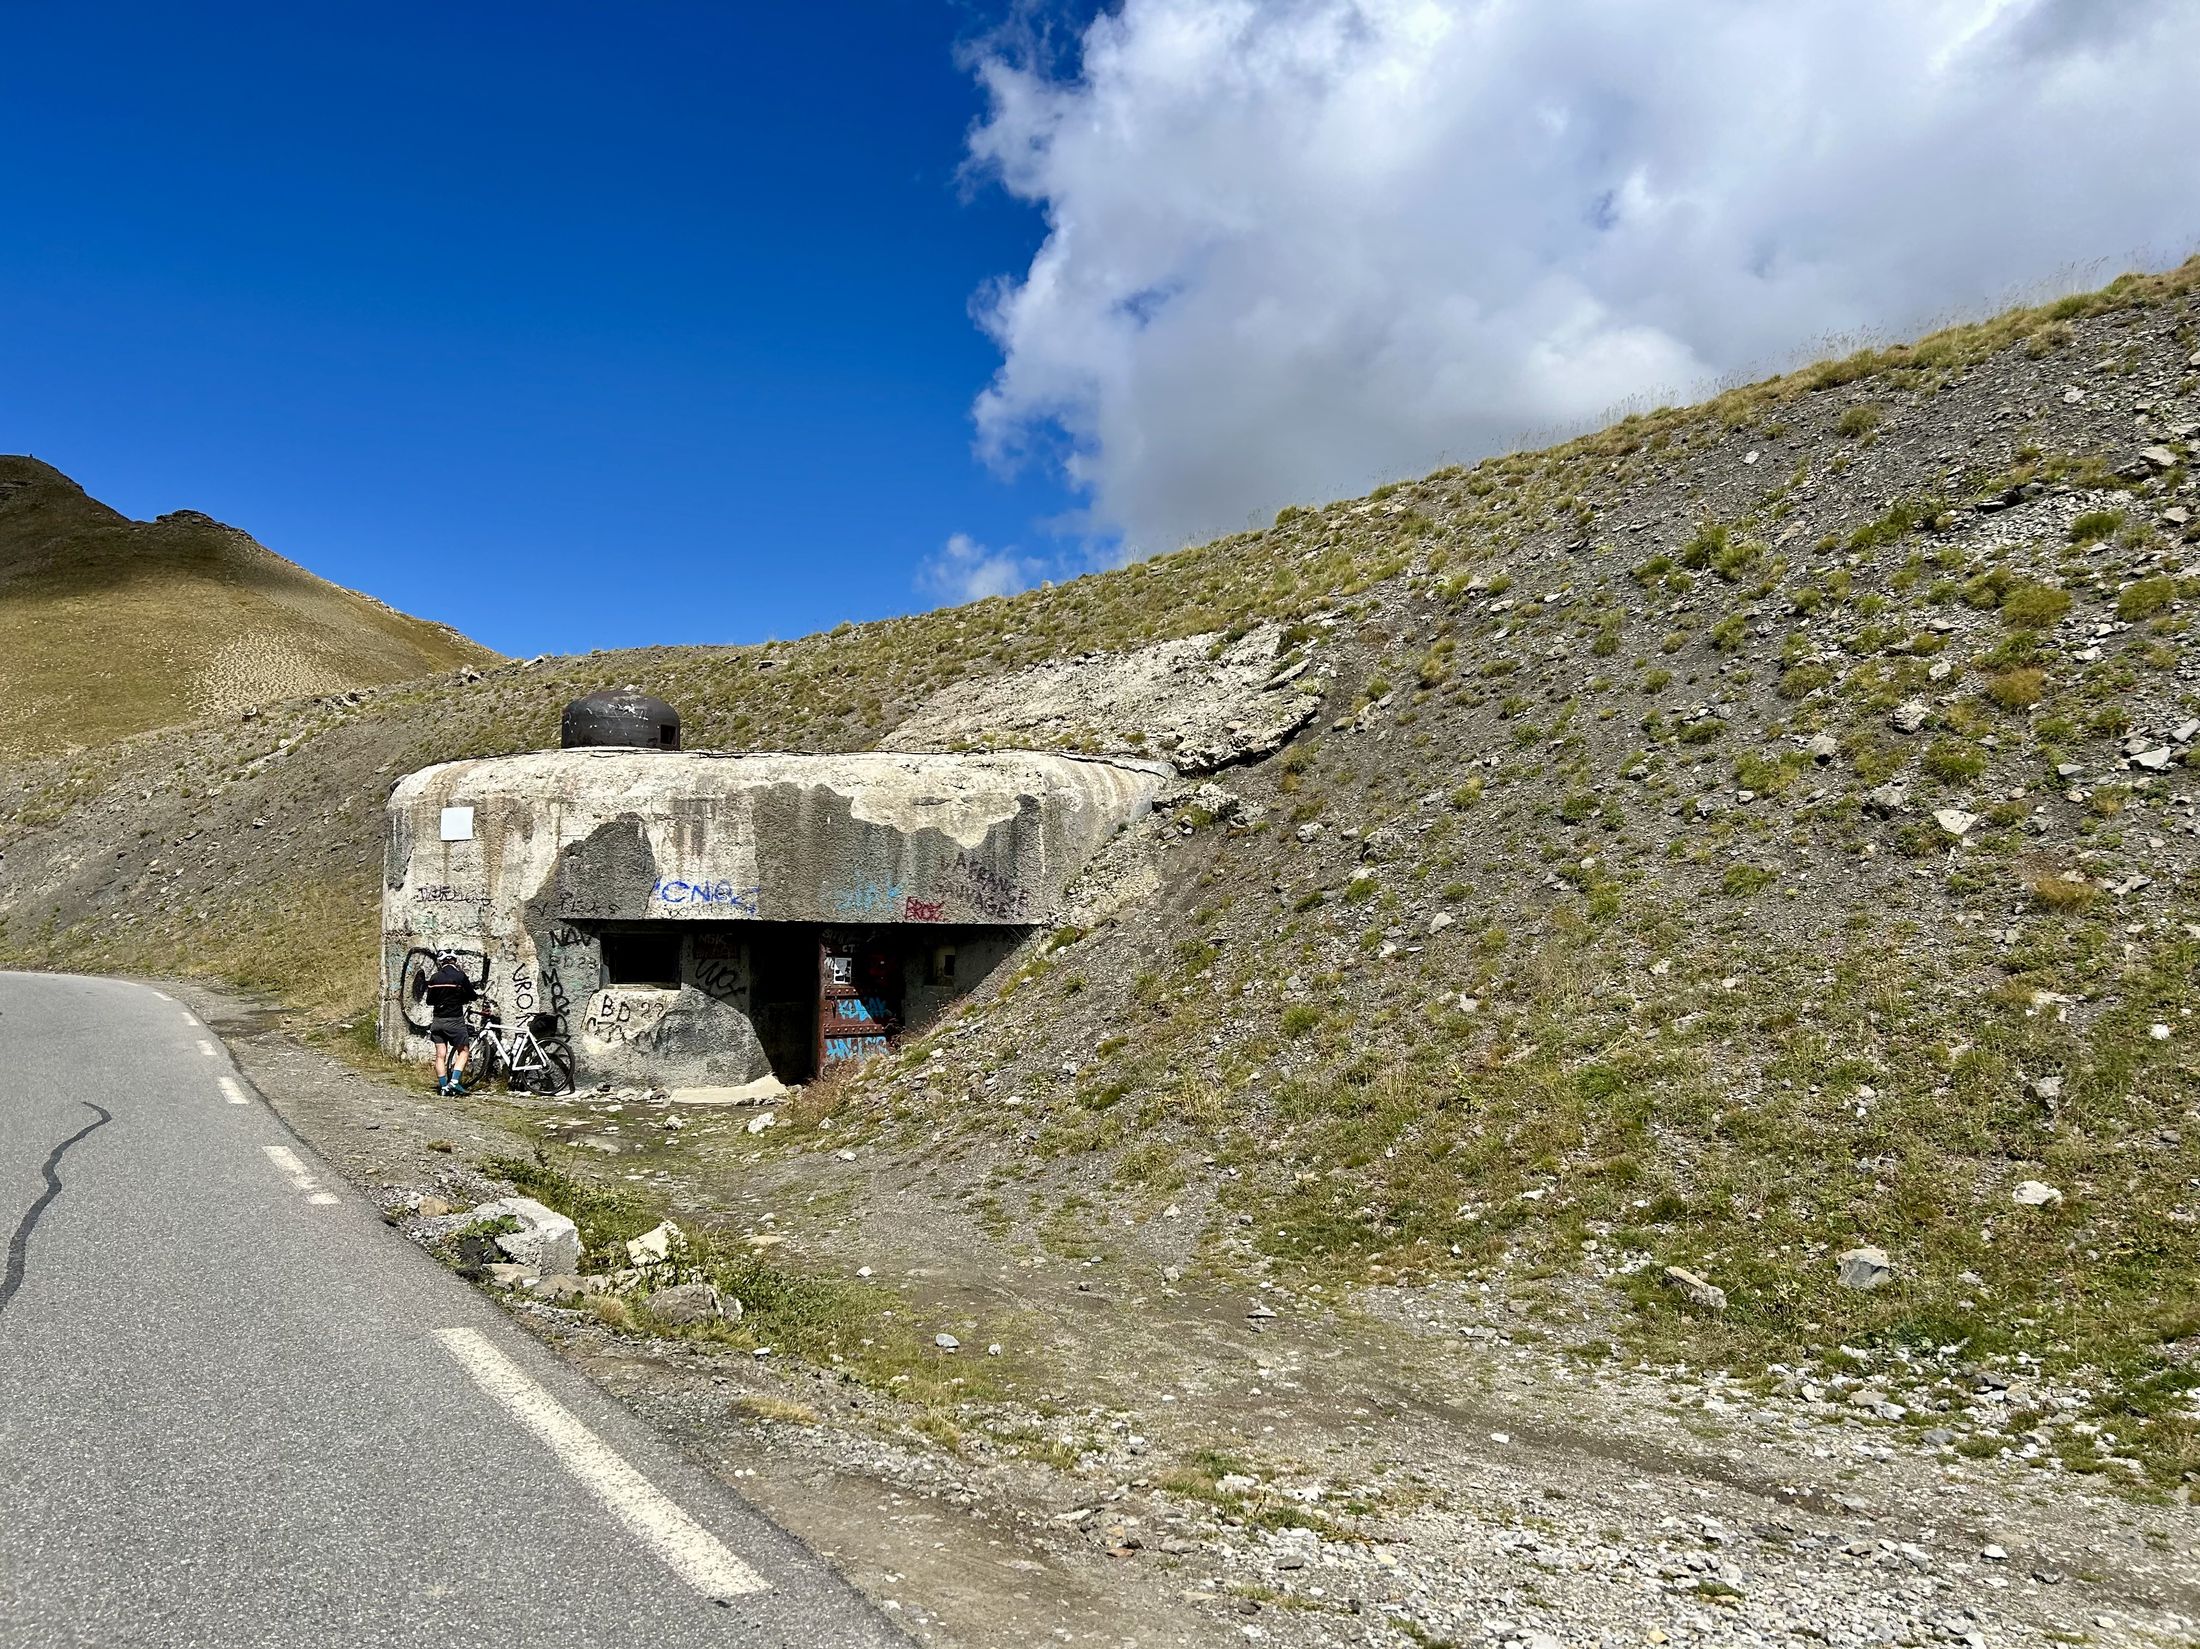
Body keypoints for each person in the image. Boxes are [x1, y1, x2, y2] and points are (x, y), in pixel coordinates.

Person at [414, 950, 479, 1095]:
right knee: (463, 1051)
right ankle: (454, 1082)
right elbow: (472, 996)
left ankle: (443, 1087)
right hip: (455, 1020)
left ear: (441, 962)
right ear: (454, 961)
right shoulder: (460, 976)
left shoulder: (434, 978)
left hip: (437, 1021)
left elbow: (430, 1001)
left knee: (440, 1055)